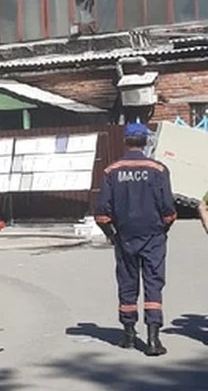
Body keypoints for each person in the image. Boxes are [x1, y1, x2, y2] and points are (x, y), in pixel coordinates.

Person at [94, 122, 176, 357]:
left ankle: (129, 336)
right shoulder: (159, 170)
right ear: (146, 141)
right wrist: (163, 229)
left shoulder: (111, 171)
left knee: (127, 283)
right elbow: (168, 209)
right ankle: (153, 340)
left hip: (125, 236)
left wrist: (112, 235)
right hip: (153, 235)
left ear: (125, 140)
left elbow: (101, 213)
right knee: (153, 284)